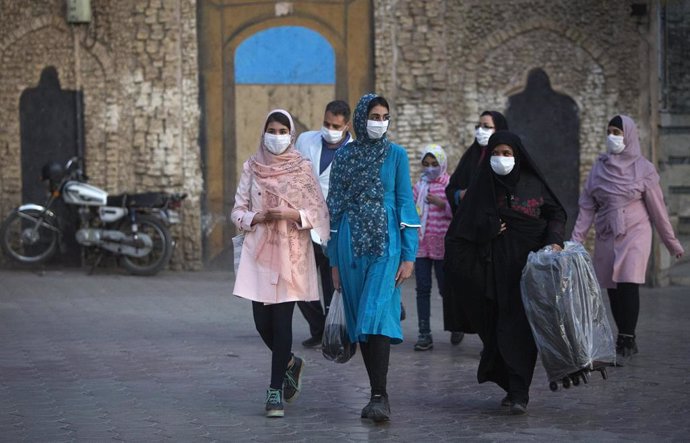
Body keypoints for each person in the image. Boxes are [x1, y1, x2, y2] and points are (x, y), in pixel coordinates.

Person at [443, 130, 566, 415]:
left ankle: (520, 392)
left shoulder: (534, 184)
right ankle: (511, 386)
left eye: (507, 153)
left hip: (525, 272)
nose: (501, 159)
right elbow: (460, 231)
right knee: (497, 331)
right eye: (496, 153)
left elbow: (556, 214)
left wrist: (554, 241)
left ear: (518, 156)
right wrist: (484, 230)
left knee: (520, 331)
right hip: (490, 273)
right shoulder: (482, 186)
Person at [327, 93, 420, 422]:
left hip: (386, 244)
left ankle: (380, 396)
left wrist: (409, 255)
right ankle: (375, 391)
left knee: (375, 315)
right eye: (374, 115)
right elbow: (334, 209)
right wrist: (333, 262)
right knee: (362, 324)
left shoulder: (396, 155)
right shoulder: (344, 157)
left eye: (385, 116)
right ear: (361, 116)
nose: (379, 122)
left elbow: (407, 204)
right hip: (350, 246)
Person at [231, 109, 330, 418]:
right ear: (264, 132)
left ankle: (274, 392)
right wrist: (255, 217)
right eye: (271, 130)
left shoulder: (302, 169)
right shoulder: (252, 166)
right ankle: (290, 363)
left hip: (291, 253)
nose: (276, 136)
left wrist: (291, 215)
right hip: (259, 253)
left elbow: (319, 214)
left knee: (282, 323)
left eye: (281, 130)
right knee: (262, 324)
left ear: (291, 134)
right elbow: (237, 211)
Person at [571, 115, 684, 361]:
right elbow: (587, 206)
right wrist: (576, 241)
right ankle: (622, 332)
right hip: (607, 231)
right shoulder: (599, 167)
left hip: (635, 231)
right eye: (609, 131)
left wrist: (671, 242)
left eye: (618, 132)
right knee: (612, 286)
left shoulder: (644, 168)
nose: (613, 137)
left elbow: (658, 209)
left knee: (628, 281)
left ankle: (628, 337)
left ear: (629, 136)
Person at [294, 100, 352, 348]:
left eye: (336, 126)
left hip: (335, 228)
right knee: (297, 281)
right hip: (304, 224)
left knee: (333, 284)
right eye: (327, 123)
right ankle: (318, 327)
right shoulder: (306, 140)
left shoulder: (354, 151)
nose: (329, 129)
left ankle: (334, 334)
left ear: (346, 125)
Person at [411, 144, 462, 350]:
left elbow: (458, 213)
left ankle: (456, 325)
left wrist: (443, 204)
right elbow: (411, 211)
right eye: (426, 164)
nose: (430, 168)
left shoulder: (449, 185)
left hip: (443, 247)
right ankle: (424, 333)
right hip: (422, 247)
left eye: (434, 164)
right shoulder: (418, 187)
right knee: (422, 289)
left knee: (446, 289)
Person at [446, 111, 509, 213]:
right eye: (478, 126)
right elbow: (452, 188)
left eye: (486, 126)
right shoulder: (471, 156)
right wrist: (459, 195)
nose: (480, 130)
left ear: (499, 129)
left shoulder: (506, 158)